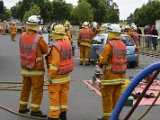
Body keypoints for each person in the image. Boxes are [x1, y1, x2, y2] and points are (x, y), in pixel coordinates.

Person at [18, 15, 48, 118]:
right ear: (36, 26)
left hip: (25, 68)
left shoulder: (22, 36)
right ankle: (35, 110)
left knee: (25, 88)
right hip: (36, 69)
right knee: (37, 89)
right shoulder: (39, 38)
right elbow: (45, 51)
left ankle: (22, 107)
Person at [98, 24, 127, 120]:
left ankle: (107, 117)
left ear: (110, 33)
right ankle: (115, 117)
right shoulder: (123, 45)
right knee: (117, 97)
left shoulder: (109, 45)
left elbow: (104, 61)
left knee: (107, 97)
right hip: (121, 76)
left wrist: (100, 59)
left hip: (110, 77)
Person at [46, 24, 74, 120]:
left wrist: (50, 76)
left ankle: (53, 116)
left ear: (55, 34)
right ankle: (63, 114)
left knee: (54, 95)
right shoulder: (67, 42)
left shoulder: (56, 46)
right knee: (63, 94)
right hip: (66, 75)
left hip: (57, 76)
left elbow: (55, 64)